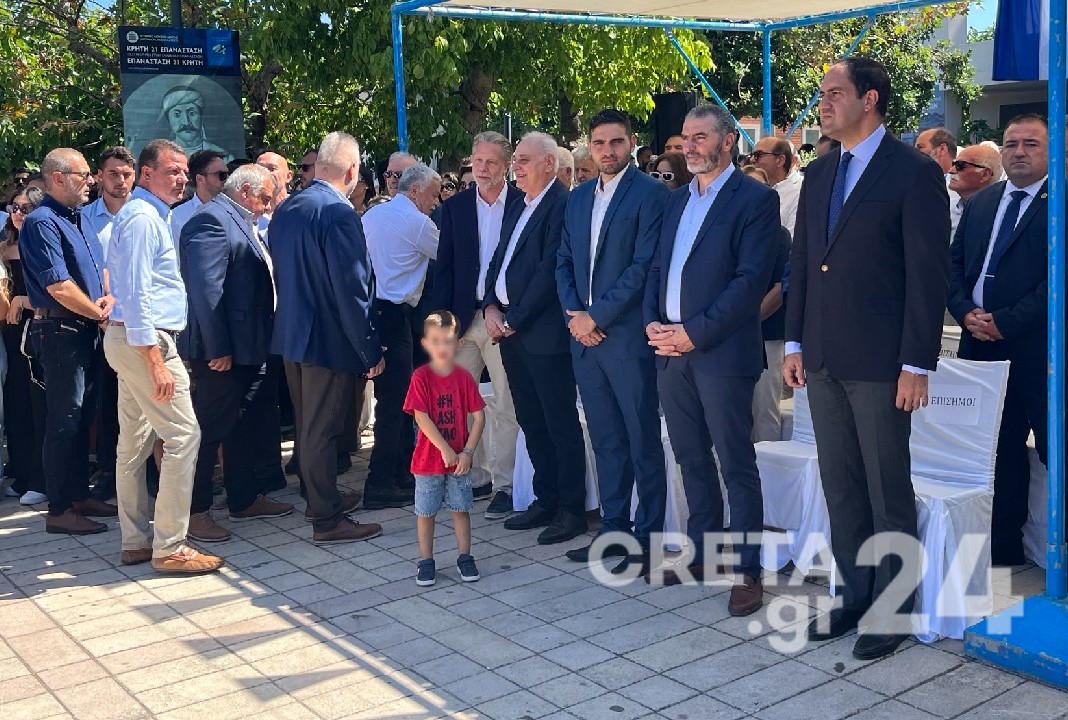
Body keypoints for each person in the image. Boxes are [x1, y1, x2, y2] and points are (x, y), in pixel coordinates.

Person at [783, 57, 949, 660]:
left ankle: (894, 608)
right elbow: (805, 262)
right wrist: (795, 342)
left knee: (886, 488)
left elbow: (927, 275)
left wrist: (917, 363)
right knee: (842, 485)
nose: (823, 103)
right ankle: (854, 596)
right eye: (821, 92)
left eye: (834, 92)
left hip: (882, 362)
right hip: (823, 357)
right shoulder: (822, 170)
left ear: (870, 99)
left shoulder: (912, 171)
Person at [643, 105, 778, 616]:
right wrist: (654, 324)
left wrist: (692, 334)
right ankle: (702, 553)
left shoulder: (755, 199)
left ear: (727, 142)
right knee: (690, 457)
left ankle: (747, 570)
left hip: (720, 354)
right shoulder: (677, 200)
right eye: (685, 137)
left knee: (735, 463)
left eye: (700, 137)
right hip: (669, 351)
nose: (689, 146)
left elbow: (749, 281)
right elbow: (659, 268)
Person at [557, 109, 669, 573]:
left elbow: (643, 268)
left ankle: (648, 537)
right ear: (590, 146)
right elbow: (564, 261)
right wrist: (576, 317)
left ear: (632, 142)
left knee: (642, 439)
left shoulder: (651, 194)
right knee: (605, 439)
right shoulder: (579, 197)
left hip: (625, 339)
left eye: (616, 142)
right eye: (599, 143)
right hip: (584, 339)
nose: (607, 151)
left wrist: (595, 316)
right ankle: (613, 529)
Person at [105, 139, 223, 573]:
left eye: (183, 172)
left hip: (134, 339)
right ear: (146, 174)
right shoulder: (142, 219)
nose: (181, 179)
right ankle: (169, 545)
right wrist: (155, 360)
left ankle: (136, 541)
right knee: (183, 436)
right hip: (146, 342)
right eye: (172, 171)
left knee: (134, 444)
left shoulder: (147, 215)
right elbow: (136, 294)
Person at [270, 131, 384, 544]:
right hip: (327, 340)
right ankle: (326, 518)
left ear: (319, 165)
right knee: (320, 430)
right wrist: (369, 348)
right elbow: (351, 290)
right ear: (352, 170)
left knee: (308, 425)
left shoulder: (287, 208)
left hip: (292, 334)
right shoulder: (339, 213)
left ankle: (320, 497)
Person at [947, 114, 1049, 566]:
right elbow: (953, 265)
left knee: (1053, 448)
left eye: (1031, 143)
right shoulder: (983, 202)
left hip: (1038, 350)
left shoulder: (1061, 200)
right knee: (996, 448)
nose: (1019, 151)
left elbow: (1057, 280)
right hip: (980, 346)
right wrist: (965, 311)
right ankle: (1004, 546)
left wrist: (1006, 321)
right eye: (1011, 144)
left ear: (1051, 151)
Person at [179, 163, 295, 542]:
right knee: (209, 430)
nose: (267, 206)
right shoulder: (210, 221)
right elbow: (206, 291)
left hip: (250, 346)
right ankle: (194, 512)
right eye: (264, 198)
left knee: (241, 425)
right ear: (245, 191)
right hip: (223, 352)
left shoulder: (240, 219)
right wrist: (219, 348)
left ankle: (243, 498)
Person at [485, 132, 587, 545]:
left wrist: (514, 318)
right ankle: (546, 499)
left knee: (559, 422)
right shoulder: (520, 203)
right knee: (531, 420)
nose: (516, 166)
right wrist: (490, 305)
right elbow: (499, 259)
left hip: (542, 334)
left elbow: (550, 271)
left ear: (549, 163)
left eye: (524, 159)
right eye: (516, 159)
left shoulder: (562, 204)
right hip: (512, 332)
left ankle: (571, 509)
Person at [20, 148, 117, 534]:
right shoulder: (41, 222)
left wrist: (106, 299)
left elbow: (100, 269)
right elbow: (58, 285)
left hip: (85, 329)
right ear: (57, 178)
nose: (91, 181)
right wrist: (100, 314)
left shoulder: (80, 218)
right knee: (64, 420)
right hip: (60, 332)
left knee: (82, 417)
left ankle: (79, 495)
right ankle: (59, 509)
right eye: (83, 174)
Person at [432, 131, 524, 519]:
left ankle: (505, 484)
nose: (483, 169)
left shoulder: (522, 203)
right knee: (457, 403)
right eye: (478, 161)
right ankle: (474, 475)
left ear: (507, 166)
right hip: (461, 318)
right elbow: (443, 267)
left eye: (491, 162)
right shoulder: (455, 207)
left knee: (505, 403)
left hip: (502, 320)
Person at [363, 163, 441, 509]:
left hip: (374, 311)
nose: (435, 202)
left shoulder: (374, 214)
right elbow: (446, 254)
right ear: (416, 190)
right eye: (433, 194)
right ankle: (381, 482)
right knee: (395, 405)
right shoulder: (417, 222)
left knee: (392, 402)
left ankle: (398, 474)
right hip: (394, 315)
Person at [404, 310, 486, 586]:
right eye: (436, 341)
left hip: (459, 461)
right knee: (426, 512)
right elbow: (421, 417)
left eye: (448, 341)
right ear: (425, 344)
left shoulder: (463, 378)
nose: (442, 347)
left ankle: (465, 556)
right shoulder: (421, 377)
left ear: (459, 344)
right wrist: (444, 449)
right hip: (428, 461)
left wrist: (467, 452)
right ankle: (426, 560)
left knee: (460, 509)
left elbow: (479, 417)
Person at [81, 146, 137, 503]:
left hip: (142, 321)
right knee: (108, 401)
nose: (120, 180)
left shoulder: (145, 213)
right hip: (100, 322)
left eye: (126, 174)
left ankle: (146, 473)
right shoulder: (85, 219)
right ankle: (109, 472)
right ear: (99, 176)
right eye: (113, 174)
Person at [1, 187, 47, 506]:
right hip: (9, 333)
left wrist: (21, 300)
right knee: (16, 406)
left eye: (26, 208)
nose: (18, 213)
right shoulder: (5, 247)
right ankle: (19, 471)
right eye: (14, 208)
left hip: (38, 330)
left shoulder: (43, 244)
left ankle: (39, 478)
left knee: (38, 407)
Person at [741, 165, 792, 442]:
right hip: (725, 335)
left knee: (763, 409)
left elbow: (779, 287)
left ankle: (767, 466)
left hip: (766, 333)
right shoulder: (726, 233)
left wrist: (743, 321)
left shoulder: (779, 235)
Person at [161, 85, 234, 162]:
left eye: (192, 113)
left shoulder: (224, 158)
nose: (186, 122)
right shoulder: (161, 159)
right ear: (168, 119)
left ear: (201, 116)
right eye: (177, 114)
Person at [170, 150, 229, 241]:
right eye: (222, 175)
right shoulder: (178, 216)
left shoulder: (235, 210)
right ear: (200, 179)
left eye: (228, 174)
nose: (227, 179)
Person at [915, 127, 962, 236]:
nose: (915, 153)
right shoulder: (919, 181)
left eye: (920, 147)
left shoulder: (960, 186)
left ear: (942, 149)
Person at [751, 136, 802, 235]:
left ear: (780, 160)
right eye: (752, 155)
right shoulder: (754, 190)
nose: (752, 160)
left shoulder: (800, 192)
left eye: (758, 155)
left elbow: (793, 240)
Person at [948, 144, 1003, 210]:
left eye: (960, 165)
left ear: (985, 174)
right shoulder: (946, 206)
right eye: (953, 164)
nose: (950, 170)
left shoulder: (999, 212)